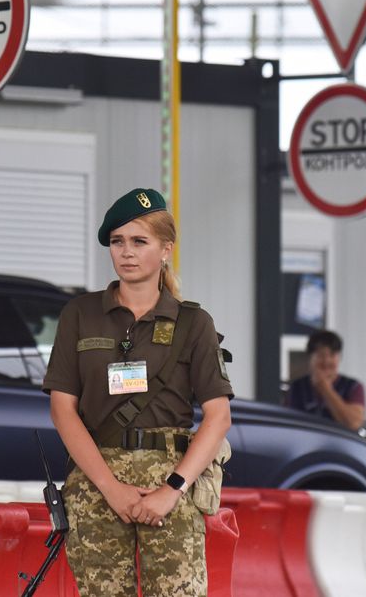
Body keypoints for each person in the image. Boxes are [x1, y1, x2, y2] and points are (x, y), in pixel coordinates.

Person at [43, 187, 233, 597]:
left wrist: (170, 491)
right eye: (117, 242)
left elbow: (218, 417)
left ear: (165, 249)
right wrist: (112, 490)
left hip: (171, 482)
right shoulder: (81, 314)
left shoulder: (193, 323)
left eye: (139, 241)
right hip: (97, 484)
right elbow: (62, 409)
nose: (126, 252)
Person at [284, 330, 366, 430]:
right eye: (321, 355)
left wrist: (325, 389)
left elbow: (354, 423)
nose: (326, 361)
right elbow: (289, 424)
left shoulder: (353, 387)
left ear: (339, 357)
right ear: (310, 358)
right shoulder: (297, 387)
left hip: (341, 444)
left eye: (332, 355)